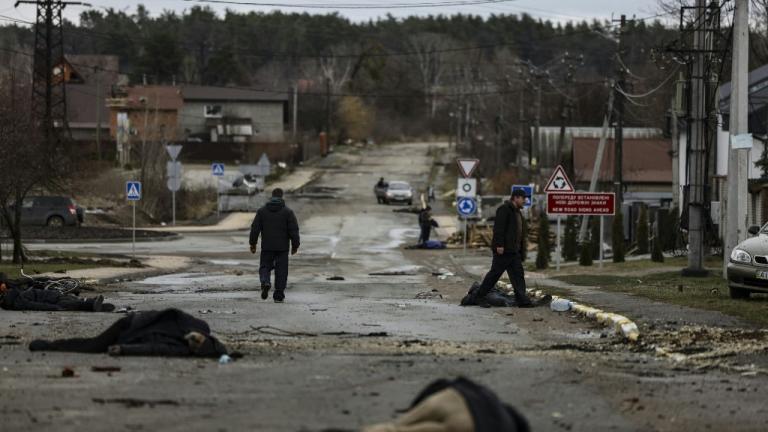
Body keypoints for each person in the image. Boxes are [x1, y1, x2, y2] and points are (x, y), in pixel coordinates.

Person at [28, 308, 228, 357]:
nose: (193, 342)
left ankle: (50, 345)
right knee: (94, 345)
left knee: (96, 346)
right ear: (204, 337)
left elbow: (153, 349)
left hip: (132, 334)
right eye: (198, 340)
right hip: (132, 324)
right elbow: (169, 313)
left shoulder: (183, 349)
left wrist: (124, 349)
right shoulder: (198, 325)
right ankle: (50, 345)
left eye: (196, 346)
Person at [474, 189, 533, 307]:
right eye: (523, 198)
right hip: (504, 250)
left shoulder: (517, 212)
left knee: (518, 275)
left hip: (513, 251)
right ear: (515, 198)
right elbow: (499, 229)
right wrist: (499, 245)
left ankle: (522, 300)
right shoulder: (504, 209)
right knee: (494, 274)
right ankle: (478, 297)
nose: (524, 201)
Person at [249, 188, 300, 303]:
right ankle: (278, 294)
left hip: (267, 247)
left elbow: (255, 229)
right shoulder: (288, 212)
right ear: (282, 197)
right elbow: (294, 230)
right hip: (282, 248)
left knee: (265, 267)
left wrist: (253, 243)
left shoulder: (262, 211)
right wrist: (295, 245)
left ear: (271, 197)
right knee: (281, 271)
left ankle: (265, 282)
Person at [0, 281, 114, 312]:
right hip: (52, 301)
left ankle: (91, 304)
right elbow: (35, 305)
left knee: (72, 300)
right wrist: (53, 308)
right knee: (70, 303)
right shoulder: (17, 300)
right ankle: (91, 304)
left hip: (51, 297)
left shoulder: (16, 294)